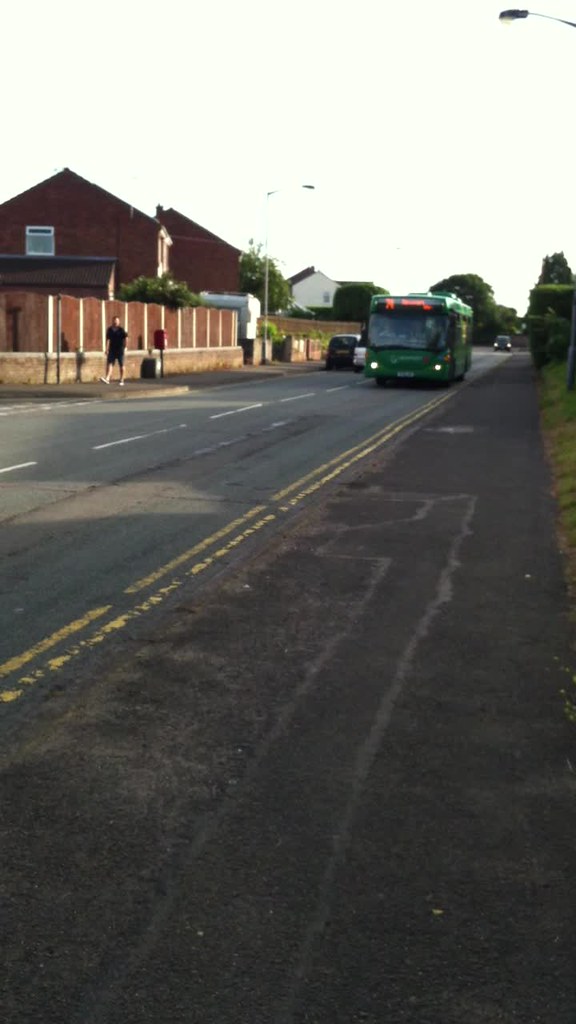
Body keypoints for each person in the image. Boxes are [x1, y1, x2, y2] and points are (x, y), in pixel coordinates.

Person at [100, 315, 128, 385]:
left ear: (119, 322)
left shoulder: (121, 330)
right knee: (110, 363)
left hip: (120, 349)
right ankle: (107, 378)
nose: (115, 322)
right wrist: (107, 349)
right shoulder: (109, 329)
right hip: (112, 349)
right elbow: (108, 340)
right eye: (114, 320)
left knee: (121, 364)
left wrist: (125, 347)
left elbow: (126, 338)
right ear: (112, 321)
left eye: (117, 321)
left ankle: (122, 380)